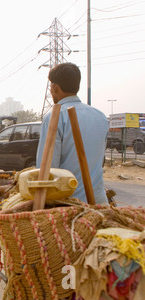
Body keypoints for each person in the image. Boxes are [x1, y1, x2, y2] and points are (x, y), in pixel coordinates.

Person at [36, 62, 109, 204]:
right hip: (99, 202)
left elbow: (47, 171)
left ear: (55, 88)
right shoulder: (101, 117)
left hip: (69, 206)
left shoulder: (54, 117)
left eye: (51, 87)